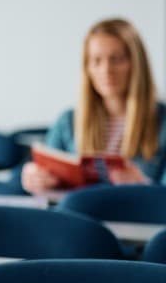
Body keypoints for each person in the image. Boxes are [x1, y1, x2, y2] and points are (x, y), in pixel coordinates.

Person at [22, 18, 166, 193]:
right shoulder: (68, 122)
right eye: (96, 61)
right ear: (87, 68)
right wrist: (33, 178)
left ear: (136, 64)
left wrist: (143, 184)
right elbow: (45, 177)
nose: (106, 70)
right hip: (79, 217)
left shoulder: (162, 122)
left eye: (116, 59)